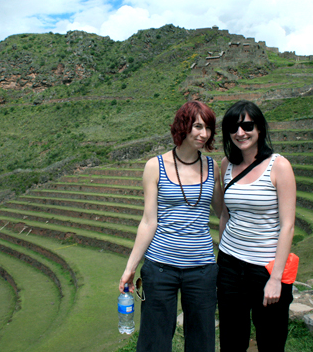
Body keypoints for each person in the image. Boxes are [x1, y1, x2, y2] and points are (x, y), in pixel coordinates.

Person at [119, 100, 223, 352]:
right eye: (197, 126)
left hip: (201, 268)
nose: (203, 133)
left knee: (202, 340)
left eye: (208, 127)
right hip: (160, 268)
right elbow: (148, 220)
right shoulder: (154, 166)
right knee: (154, 340)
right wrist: (130, 267)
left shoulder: (213, 167)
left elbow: (223, 214)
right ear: (183, 126)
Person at [217, 100, 297, 352]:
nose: (240, 133)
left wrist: (275, 279)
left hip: (265, 267)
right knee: (231, 339)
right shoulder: (225, 164)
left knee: (270, 339)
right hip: (229, 264)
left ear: (260, 127)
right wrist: (221, 256)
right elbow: (225, 216)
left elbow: (288, 226)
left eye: (247, 125)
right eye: (233, 127)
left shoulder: (279, 166)